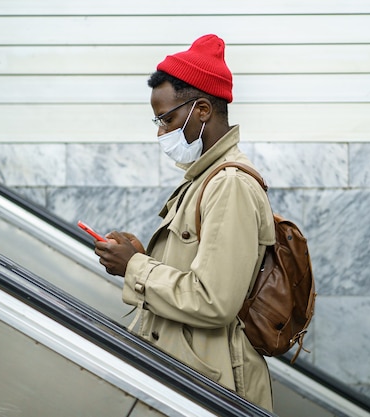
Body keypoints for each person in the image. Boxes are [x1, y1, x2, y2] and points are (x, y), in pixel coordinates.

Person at [94, 34, 276, 411]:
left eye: (168, 119)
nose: (161, 133)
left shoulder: (229, 185)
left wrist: (136, 268)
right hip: (191, 379)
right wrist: (144, 258)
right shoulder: (204, 179)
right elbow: (197, 273)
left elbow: (214, 300)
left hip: (211, 390)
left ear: (203, 110)